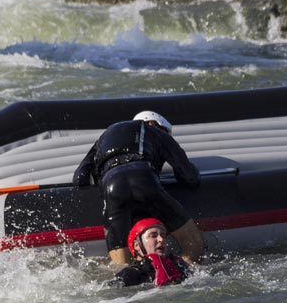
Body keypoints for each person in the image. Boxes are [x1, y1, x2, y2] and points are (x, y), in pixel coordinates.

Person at [73, 110, 205, 265]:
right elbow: (189, 177)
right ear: (155, 124)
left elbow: (79, 178)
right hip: (143, 178)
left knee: (120, 267)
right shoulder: (155, 131)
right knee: (194, 244)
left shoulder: (103, 138)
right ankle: (180, 273)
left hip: (111, 187)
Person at [111, 218, 192, 287]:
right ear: (137, 245)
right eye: (153, 236)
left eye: (163, 235)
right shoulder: (130, 274)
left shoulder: (179, 266)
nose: (161, 239)